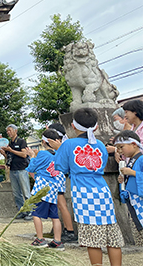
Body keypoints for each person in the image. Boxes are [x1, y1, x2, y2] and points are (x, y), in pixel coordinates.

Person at [55, 108, 123, 266]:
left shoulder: (68, 144)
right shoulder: (100, 145)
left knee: (93, 238)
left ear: (73, 126)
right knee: (110, 233)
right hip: (102, 191)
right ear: (97, 127)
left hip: (83, 193)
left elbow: (60, 167)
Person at [26, 129, 64, 250]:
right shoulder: (58, 155)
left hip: (41, 187)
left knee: (35, 213)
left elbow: (31, 167)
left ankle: (40, 239)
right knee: (55, 216)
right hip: (54, 188)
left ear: (43, 141)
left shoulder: (43, 154)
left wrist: (32, 156)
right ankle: (57, 241)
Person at [47, 123, 77, 243]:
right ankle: (65, 229)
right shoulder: (64, 143)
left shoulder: (64, 144)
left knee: (62, 204)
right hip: (62, 176)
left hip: (63, 177)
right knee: (61, 204)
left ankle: (69, 230)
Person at [114, 130, 143, 246]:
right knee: (137, 231)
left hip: (139, 201)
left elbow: (137, 174)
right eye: (118, 149)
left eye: (121, 147)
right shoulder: (131, 160)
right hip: (133, 200)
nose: (120, 151)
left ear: (134, 144)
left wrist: (133, 173)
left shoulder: (141, 159)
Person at [0, 124, 32, 220]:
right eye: (7, 131)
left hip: (22, 169)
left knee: (26, 192)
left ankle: (30, 211)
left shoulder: (21, 141)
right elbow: (9, 157)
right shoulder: (9, 144)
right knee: (16, 193)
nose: (8, 132)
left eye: (10, 130)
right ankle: (22, 211)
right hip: (12, 170)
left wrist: (11, 150)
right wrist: (5, 153)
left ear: (15, 131)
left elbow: (24, 155)